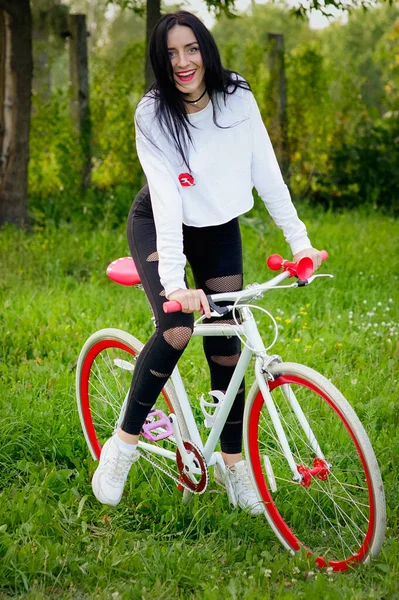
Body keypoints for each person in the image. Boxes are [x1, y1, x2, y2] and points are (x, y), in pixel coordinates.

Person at [92, 10, 322, 513]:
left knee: (225, 340)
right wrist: (175, 283)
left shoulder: (236, 97)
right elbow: (169, 200)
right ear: (160, 59)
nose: (183, 61)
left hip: (217, 225)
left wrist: (300, 243)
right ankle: (123, 446)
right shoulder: (153, 114)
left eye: (191, 48)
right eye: (171, 53)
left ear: (206, 49)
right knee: (176, 328)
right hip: (158, 220)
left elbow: (268, 173)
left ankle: (233, 464)